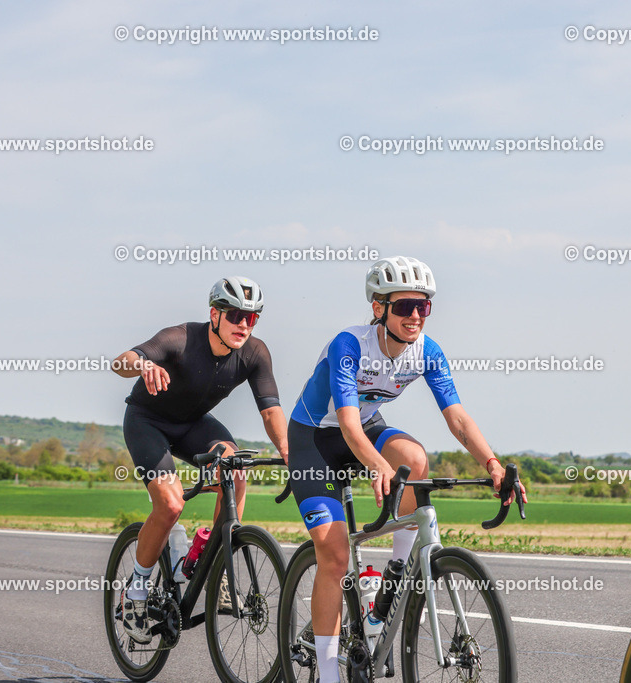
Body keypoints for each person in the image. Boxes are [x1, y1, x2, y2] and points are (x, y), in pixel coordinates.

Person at [288, 256, 526, 683]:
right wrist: (378, 465)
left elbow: (457, 418)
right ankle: (326, 674)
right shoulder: (350, 344)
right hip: (315, 438)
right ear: (379, 308)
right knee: (336, 554)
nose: (415, 316)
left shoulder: (426, 351)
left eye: (424, 306)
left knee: (416, 461)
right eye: (404, 307)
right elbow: (346, 423)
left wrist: (490, 462)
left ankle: (395, 576)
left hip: (367, 425)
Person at [111, 276, 288, 644]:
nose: (244, 325)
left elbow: (270, 411)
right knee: (171, 505)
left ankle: (214, 565)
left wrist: (290, 451)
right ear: (215, 314)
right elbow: (121, 361)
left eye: (252, 318)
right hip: (148, 421)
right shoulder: (180, 338)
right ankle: (137, 591)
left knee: (236, 471)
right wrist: (144, 366)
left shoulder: (255, 353)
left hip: (193, 425)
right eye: (237, 315)